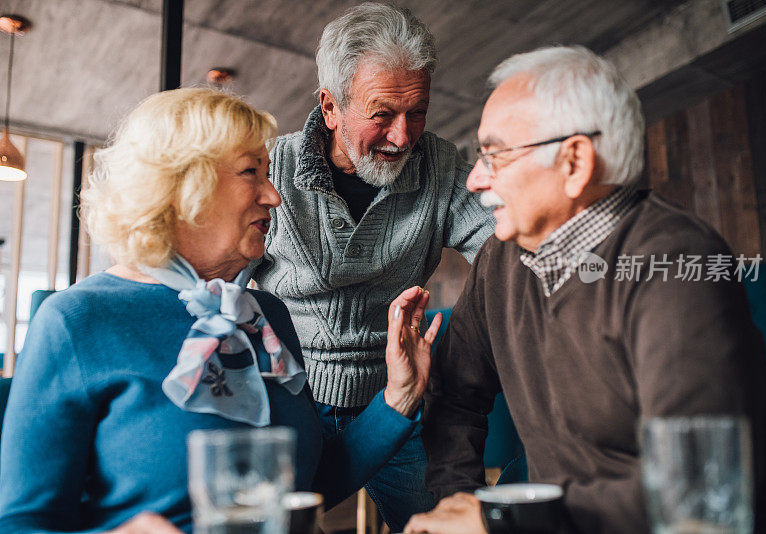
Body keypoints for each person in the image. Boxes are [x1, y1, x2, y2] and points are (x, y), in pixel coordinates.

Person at [0, 88, 442, 534]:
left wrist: (398, 397)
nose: (274, 196)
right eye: (252, 172)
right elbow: (21, 523)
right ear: (180, 185)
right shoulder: (76, 321)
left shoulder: (264, 315)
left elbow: (302, 489)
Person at [406, 45, 766, 534]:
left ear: (574, 162)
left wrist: (501, 520)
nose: (475, 178)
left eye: (495, 154)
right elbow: (456, 397)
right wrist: (458, 505)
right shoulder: (500, 261)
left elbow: (698, 482)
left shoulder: (672, 262)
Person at [252, 3, 494, 529]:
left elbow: (503, 246)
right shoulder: (272, 171)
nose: (404, 136)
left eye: (419, 112)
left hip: (400, 402)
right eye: (382, 113)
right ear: (331, 106)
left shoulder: (441, 166)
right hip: (294, 406)